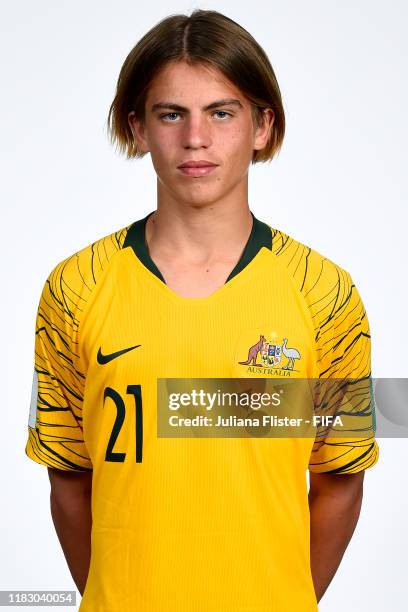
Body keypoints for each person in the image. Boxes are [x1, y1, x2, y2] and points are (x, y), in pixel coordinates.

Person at [25, 9, 379, 611]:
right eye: (171, 114)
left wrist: (281, 598)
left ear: (262, 126)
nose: (196, 138)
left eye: (221, 112)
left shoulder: (325, 293)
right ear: (137, 127)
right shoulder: (73, 289)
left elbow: (342, 478)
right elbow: (68, 474)